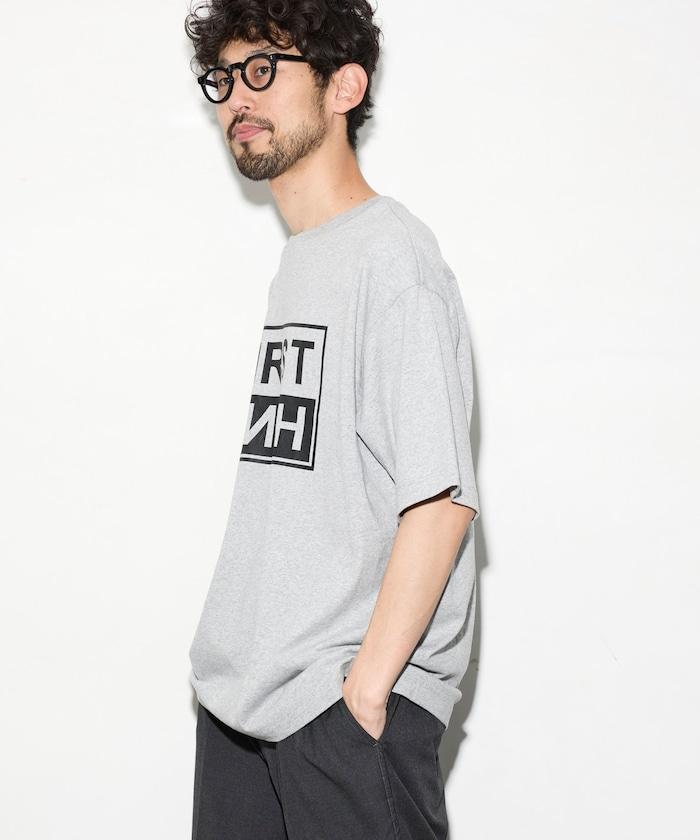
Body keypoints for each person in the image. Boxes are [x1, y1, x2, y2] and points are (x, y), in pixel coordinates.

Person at [184, 2, 481, 837]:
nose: (237, 97)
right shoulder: (304, 263)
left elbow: (442, 501)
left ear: (344, 87)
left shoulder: (393, 259)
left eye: (263, 69)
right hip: (243, 705)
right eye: (223, 78)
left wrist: (365, 695)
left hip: (336, 712)